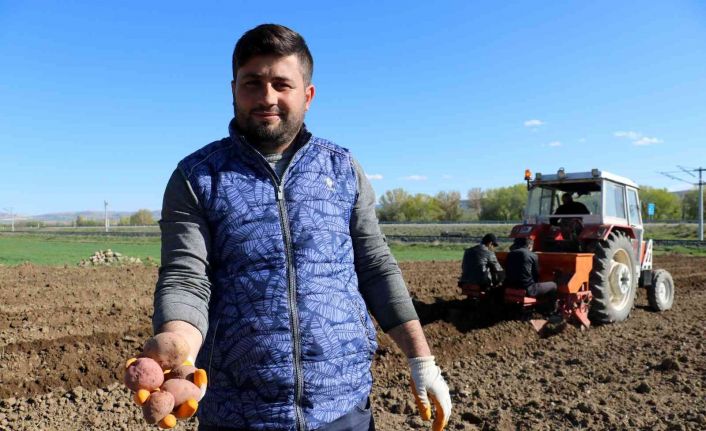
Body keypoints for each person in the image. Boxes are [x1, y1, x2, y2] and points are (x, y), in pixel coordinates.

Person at [150, 24, 451, 431]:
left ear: (307, 95)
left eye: (281, 84)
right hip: (238, 413)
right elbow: (187, 276)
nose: (267, 97)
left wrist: (422, 360)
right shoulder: (198, 177)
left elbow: (376, 266)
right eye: (252, 83)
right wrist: (179, 346)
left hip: (342, 407)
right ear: (234, 89)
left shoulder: (342, 169)